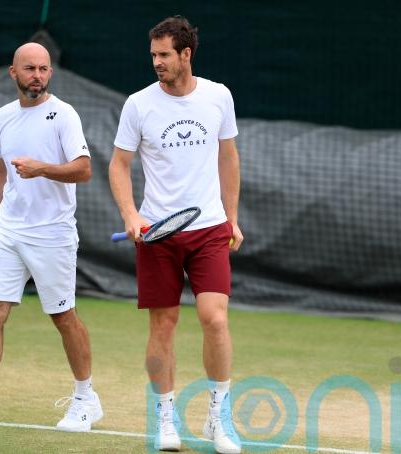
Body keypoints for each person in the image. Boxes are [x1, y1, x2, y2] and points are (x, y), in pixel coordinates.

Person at [0, 42, 102, 434]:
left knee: (63, 316)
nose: (37, 76)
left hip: (53, 233)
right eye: (29, 69)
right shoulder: (3, 116)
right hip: (8, 231)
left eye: (43, 69)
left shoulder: (64, 115)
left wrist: (42, 168)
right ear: (14, 72)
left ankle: (86, 399)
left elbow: (84, 170)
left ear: (50, 73)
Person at [109, 16, 243, 454]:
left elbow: (228, 158)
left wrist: (232, 218)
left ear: (186, 54)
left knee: (215, 318)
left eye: (165, 54)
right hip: (156, 233)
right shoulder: (138, 104)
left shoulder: (218, 96)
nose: (157, 62)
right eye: (153, 55)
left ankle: (218, 418)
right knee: (163, 325)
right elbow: (119, 165)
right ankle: (165, 419)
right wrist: (131, 214)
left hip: (209, 229)